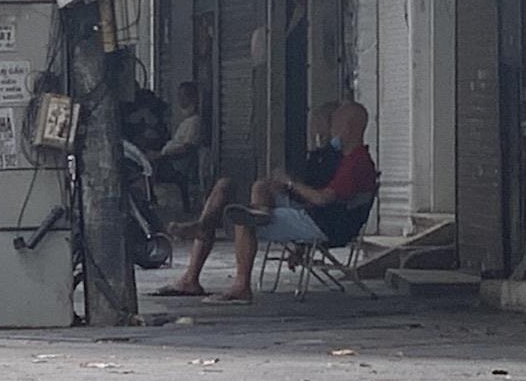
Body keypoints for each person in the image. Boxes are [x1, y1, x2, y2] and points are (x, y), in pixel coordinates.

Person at [156, 101, 377, 303]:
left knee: (243, 219)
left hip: (322, 222)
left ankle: (241, 285)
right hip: (315, 214)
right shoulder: (342, 157)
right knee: (251, 186)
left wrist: (289, 183)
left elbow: (322, 199)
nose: (331, 129)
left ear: (348, 127)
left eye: (334, 124)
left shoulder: (355, 162)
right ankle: (249, 215)